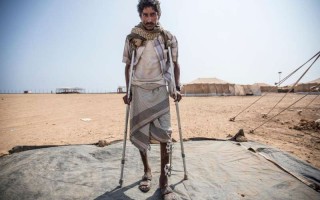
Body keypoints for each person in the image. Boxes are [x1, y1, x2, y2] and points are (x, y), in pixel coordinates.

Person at [122, 0, 181, 199]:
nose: (149, 19)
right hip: (138, 89)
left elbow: (175, 64)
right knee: (141, 132)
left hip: (160, 89)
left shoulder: (167, 37)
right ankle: (147, 171)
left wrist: (176, 87)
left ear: (158, 15)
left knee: (166, 134)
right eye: (145, 15)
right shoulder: (132, 38)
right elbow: (127, 65)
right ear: (140, 16)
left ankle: (165, 181)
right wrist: (128, 90)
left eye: (152, 14)